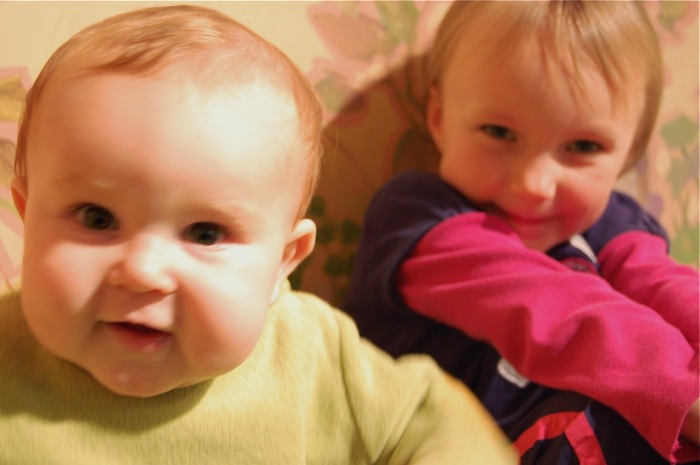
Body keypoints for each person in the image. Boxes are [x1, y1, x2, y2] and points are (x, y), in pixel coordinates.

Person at [0, 5, 518, 464]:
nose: (143, 272)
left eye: (206, 233)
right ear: (29, 215)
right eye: (96, 218)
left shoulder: (312, 356)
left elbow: (439, 425)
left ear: (282, 264)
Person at [343, 2, 700, 464]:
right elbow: (556, 310)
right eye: (499, 132)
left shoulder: (614, 222)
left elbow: (665, 284)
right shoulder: (417, 218)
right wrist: (684, 392)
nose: (534, 185)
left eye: (583, 146)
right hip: (439, 450)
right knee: (615, 424)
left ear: (629, 151)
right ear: (440, 118)